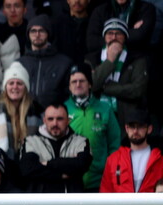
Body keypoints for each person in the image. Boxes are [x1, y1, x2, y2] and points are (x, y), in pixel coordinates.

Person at [65, 64, 121, 192]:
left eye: (82, 81)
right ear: (69, 86)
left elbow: (114, 143)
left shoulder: (105, 108)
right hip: (71, 182)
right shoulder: (62, 110)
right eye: (74, 81)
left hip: (100, 181)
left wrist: (109, 170)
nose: (78, 84)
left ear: (90, 84)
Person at [85, 18, 148, 129]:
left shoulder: (137, 59)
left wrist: (105, 87)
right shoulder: (91, 58)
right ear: (104, 36)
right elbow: (90, 86)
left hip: (126, 117)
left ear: (125, 37)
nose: (114, 37)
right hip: (96, 115)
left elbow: (137, 90)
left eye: (118, 33)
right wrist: (109, 61)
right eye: (110, 33)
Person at [19, 102, 91, 193]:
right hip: (40, 204)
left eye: (60, 119)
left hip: (72, 204)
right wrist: (60, 174)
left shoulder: (80, 141)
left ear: (68, 120)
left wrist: (48, 164)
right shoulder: (31, 142)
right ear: (44, 121)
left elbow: (81, 165)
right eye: (50, 119)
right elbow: (27, 170)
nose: (55, 123)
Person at [0, 61, 41, 160]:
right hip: (1, 161)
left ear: (25, 87)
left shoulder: (36, 110)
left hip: (29, 161)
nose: (15, 87)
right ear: (5, 87)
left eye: (19, 83)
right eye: (11, 83)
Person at [18, 15, 73, 108]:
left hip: (55, 115)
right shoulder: (19, 64)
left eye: (41, 31)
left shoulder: (64, 63)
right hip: (24, 113)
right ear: (28, 34)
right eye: (33, 31)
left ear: (48, 33)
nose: (37, 34)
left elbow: (69, 94)